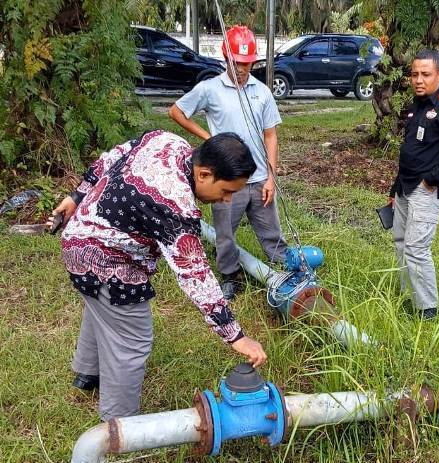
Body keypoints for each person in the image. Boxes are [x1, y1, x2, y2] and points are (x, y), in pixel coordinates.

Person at [48, 130, 268, 421]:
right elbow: (196, 276)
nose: (227, 201)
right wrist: (236, 336)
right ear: (203, 174)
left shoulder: (167, 140)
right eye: (226, 191)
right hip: (107, 259)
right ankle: (119, 425)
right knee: (132, 339)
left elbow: (111, 156)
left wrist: (77, 195)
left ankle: (86, 375)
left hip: (80, 235)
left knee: (102, 307)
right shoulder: (175, 207)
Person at [168, 25, 287, 300]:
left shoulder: (262, 92)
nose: (243, 69)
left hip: (258, 179)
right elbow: (176, 111)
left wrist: (271, 177)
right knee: (225, 234)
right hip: (227, 181)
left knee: (272, 232)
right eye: (238, 63)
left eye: (248, 63)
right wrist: (208, 137)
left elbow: (271, 136)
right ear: (226, 59)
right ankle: (230, 276)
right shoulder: (210, 89)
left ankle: (285, 269)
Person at [387, 49, 439, 319]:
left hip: (427, 189)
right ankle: (408, 295)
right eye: (414, 74)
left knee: (416, 248)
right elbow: (410, 149)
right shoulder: (415, 106)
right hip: (405, 186)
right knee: (401, 242)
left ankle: (427, 309)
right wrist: (395, 188)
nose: (418, 80)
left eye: (425, 74)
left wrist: (433, 178)